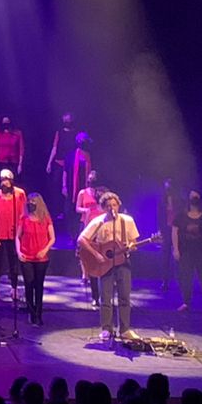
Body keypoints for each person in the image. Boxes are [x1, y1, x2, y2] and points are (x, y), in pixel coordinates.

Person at [78, 191, 142, 343]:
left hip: (123, 263)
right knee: (106, 298)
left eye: (114, 205)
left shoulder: (127, 220)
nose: (112, 208)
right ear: (103, 208)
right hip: (105, 264)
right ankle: (106, 329)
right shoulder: (98, 221)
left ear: (119, 205)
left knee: (124, 296)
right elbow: (82, 239)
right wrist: (96, 254)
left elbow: (134, 243)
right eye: (108, 206)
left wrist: (131, 247)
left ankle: (125, 329)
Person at [174, 188, 202, 313]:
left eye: (196, 197)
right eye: (192, 196)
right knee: (186, 278)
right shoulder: (181, 216)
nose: (194, 199)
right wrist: (176, 249)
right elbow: (174, 232)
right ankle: (186, 303)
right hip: (186, 252)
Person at [17, 189, 56, 327]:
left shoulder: (46, 218)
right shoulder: (24, 218)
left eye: (33, 202)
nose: (31, 204)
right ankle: (31, 312)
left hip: (41, 258)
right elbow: (17, 236)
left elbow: (52, 238)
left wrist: (45, 250)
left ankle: (39, 315)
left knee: (38, 285)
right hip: (26, 256)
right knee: (29, 284)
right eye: (29, 202)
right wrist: (18, 251)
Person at [0, 170, 25, 302]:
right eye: (2, 179)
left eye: (6, 179)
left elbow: (22, 214)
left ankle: (14, 288)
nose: (4, 182)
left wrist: (20, 234)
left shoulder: (19, 195)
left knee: (13, 262)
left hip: (13, 235)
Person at [45, 111, 76, 215]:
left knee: (68, 187)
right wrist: (49, 162)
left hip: (70, 165)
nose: (67, 121)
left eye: (69, 119)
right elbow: (54, 147)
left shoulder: (74, 133)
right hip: (59, 163)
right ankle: (56, 211)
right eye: (65, 119)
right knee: (56, 187)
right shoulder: (59, 132)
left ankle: (66, 211)